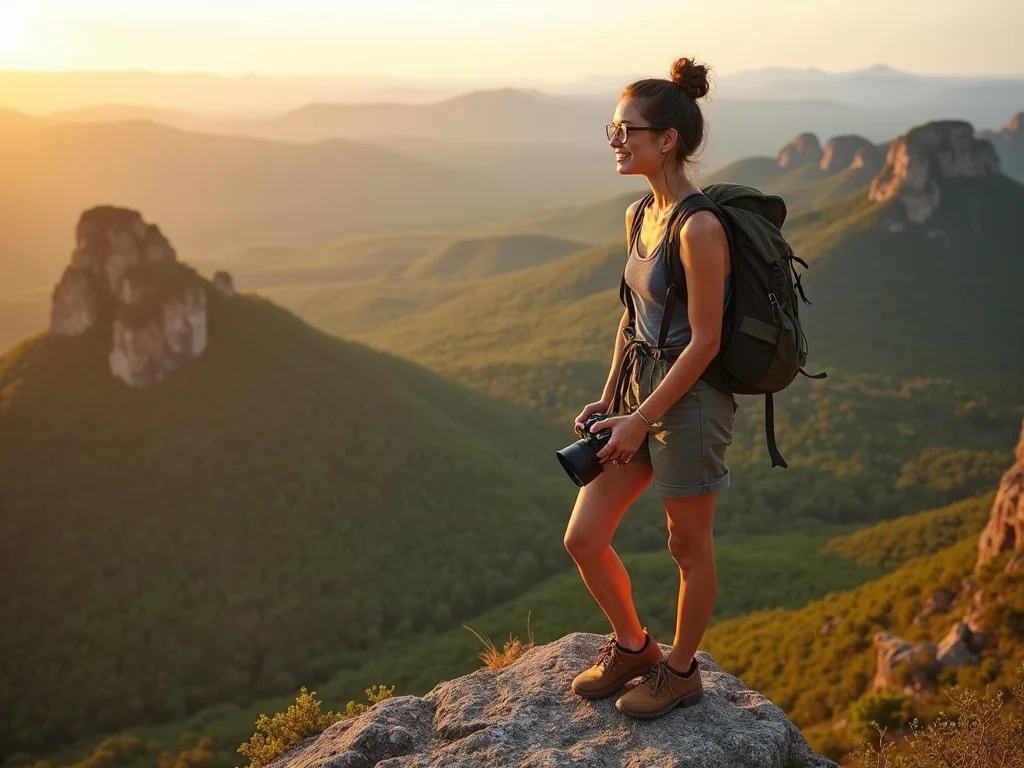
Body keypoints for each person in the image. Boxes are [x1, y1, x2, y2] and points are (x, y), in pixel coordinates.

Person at [564, 56, 736, 720]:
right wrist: (611, 399)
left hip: (689, 404)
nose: (614, 138)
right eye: (612, 126)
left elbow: (707, 342)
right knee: (584, 537)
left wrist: (642, 419)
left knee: (687, 546)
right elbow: (631, 318)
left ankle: (681, 671)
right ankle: (635, 648)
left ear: (667, 139)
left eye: (625, 128)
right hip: (637, 393)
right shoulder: (640, 214)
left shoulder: (699, 228)